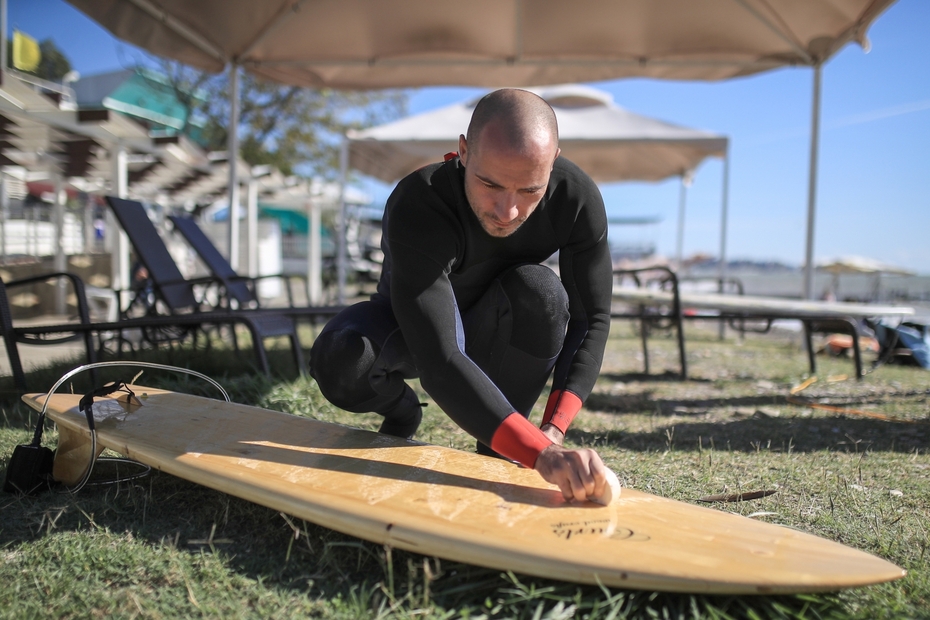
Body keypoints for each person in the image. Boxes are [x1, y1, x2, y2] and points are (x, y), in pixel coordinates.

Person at [310, 88, 614, 502]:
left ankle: (503, 442)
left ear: (553, 160)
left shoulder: (574, 199)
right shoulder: (420, 203)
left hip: (497, 326)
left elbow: (590, 318)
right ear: (464, 152)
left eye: (529, 191)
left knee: (543, 291)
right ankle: (404, 412)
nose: (507, 212)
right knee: (342, 356)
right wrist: (546, 456)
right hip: (413, 329)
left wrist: (551, 433)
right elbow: (442, 357)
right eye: (490, 184)